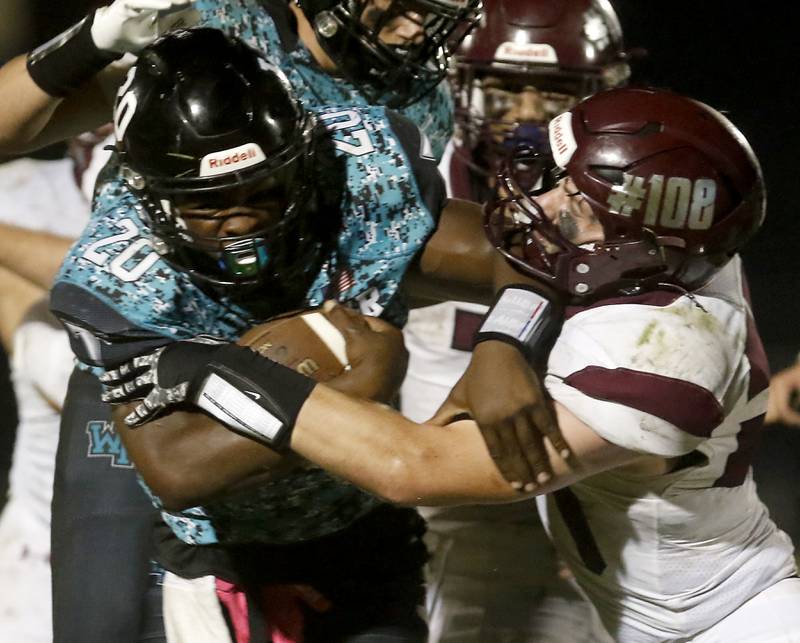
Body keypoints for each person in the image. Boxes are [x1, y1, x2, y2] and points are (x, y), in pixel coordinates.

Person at [108, 86, 800, 642]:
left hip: (726, 621)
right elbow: (523, 317)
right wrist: (502, 340)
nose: (549, 204)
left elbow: (419, 468)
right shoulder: (678, 260)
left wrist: (218, 370)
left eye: (579, 204)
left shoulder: (661, 355)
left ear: (644, 235)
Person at [45, 27, 537, 642]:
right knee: (100, 627)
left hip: (353, 513)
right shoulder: (120, 276)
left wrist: (505, 346)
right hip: (221, 535)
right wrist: (362, 384)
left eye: (263, 190)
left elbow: (531, 250)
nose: (244, 220)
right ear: (152, 199)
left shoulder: (360, 175)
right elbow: (177, 469)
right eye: (211, 202)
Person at [399, 1, 630, 638]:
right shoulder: (409, 168)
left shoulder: (637, 183)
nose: (528, 114)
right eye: (503, 90)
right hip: (447, 486)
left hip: (601, 481)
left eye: (553, 93)